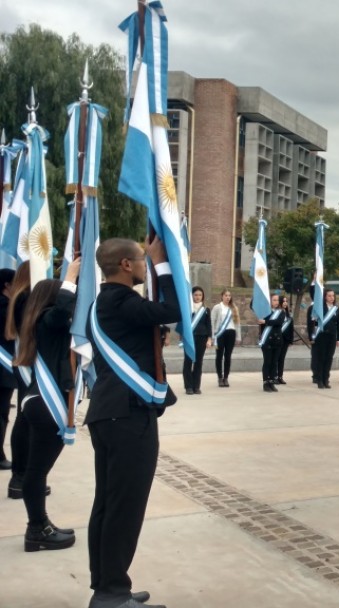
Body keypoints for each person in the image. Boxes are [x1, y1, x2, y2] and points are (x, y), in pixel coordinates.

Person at [87, 237, 180, 608]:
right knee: (124, 506)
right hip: (127, 414)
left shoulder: (104, 303)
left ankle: (109, 585)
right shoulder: (123, 301)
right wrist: (164, 264)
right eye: (142, 260)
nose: (145, 265)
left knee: (110, 504)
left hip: (110, 412)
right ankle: (112, 593)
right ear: (126, 265)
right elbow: (174, 307)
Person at [14, 259, 80, 552]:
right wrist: (71, 277)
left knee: (35, 471)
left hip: (35, 401)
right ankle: (37, 529)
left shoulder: (36, 322)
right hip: (45, 404)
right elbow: (62, 312)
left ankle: (40, 525)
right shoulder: (47, 321)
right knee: (37, 472)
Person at [5, 263, 31, 499]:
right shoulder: (24, 298)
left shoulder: (20, 296)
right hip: (27, 364)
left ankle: (22, 476)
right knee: (25, 420)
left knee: (25, 419)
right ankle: (21, 476)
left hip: (24, 362)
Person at [307, 288, 339, 389]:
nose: (332, 298)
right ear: (325, 297)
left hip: (331, 337)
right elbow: (312, 323)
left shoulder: (336, 309)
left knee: (329, 358)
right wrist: (311, 336)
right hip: (320, 336)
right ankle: (319, 380)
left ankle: (326, 379)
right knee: (320, 358)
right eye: (329, 296)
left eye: (333, 296)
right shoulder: (319, 308)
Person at [181, 286, 211, 395]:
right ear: (192, 296)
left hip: (202, 337)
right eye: (195, 295)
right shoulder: (187, 308)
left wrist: (209, 338)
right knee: (188, 361)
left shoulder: (206, 309)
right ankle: (188, 386)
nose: (198, 297)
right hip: (190, 337)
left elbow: (209, 325)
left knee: (198, 362)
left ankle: (196, 386)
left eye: (200, 295)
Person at [0, 268, 16, 471]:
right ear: (7, 285)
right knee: (2, 412)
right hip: (3, 367)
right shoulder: (5, 308)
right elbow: (10, 334)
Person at [211, 289, 240, 388]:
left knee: (228, 356)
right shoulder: (217, 307)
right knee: (219, 355)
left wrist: (238, 336)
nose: (228, 297)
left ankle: (226, 378)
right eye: (226, 295)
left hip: (231, 332)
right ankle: (220, 377)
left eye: (229, 295)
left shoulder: (234, 308)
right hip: (220, 333)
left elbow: (237, 323)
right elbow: (212, 321)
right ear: (222, 296)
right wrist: (212, 335)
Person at [258, 294, 287, 392]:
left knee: (274, 363)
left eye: (277, 300)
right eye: (273, 300)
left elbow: (278, 322)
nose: (276, 302)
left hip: (277, 340)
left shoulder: (282, 312)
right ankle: (266, 382)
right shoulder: (265, 312)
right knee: (267, 362)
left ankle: (271, 381)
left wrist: (265, 321)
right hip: (267, 340)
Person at [275, 296, 294, 385]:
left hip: (285, 340)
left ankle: (280, 376)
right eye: (284, 301)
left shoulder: (288, 315)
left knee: (281, 358)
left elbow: (291, 328)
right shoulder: (276, 313)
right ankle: (274, 376)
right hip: (277, 338)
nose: (285, 303)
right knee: (276, 358)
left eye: (286, 301)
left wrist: (291, 340)